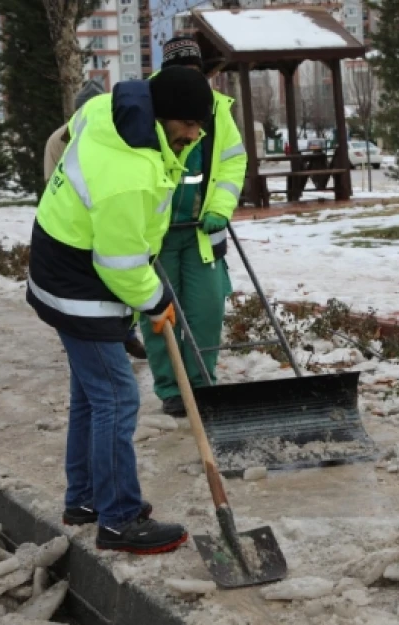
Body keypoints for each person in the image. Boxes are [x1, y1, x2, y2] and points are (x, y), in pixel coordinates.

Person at [26, 66, 213, 554]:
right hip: (79, 280)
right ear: (166, 114)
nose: (195, 134)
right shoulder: (130, 172)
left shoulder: (107, 109)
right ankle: (118, 518)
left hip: (63, 257)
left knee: (92, 395)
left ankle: (85, 498)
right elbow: (122, 264)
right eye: (190, 124)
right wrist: (157, 301)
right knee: (116, 397)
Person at [140, 37, 246, 417]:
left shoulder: (218, 109)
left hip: (202, 231)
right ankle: (172, 389)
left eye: (194, 74)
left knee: (206, 311)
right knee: (160, 314)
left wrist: (220, 207)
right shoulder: (146, 107)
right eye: (179, 74)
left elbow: (233, 162)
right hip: (160, 233)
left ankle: (202, 386)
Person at [41, 81, 151, 360]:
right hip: (76, 229)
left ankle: (125, 333)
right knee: (90, 295)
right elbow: (54, 185)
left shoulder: (115, 137)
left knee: (118, 280)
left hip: (108, 221)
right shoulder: (58, 140)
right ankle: (95, 339)